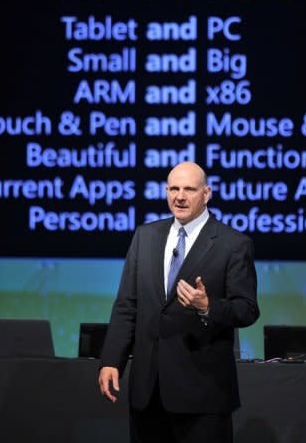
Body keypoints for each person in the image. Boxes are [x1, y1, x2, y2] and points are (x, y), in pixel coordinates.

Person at [98, 161, 260, 443]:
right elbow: (127, 304)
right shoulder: (145, 236)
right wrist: (112, 360)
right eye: (173, 188)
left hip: (202, 394)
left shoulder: (233, 244)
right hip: (148, 393)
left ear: (206, 193)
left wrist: (207, 306)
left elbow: (247, 309)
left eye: (189, 189)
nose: (180, 196)